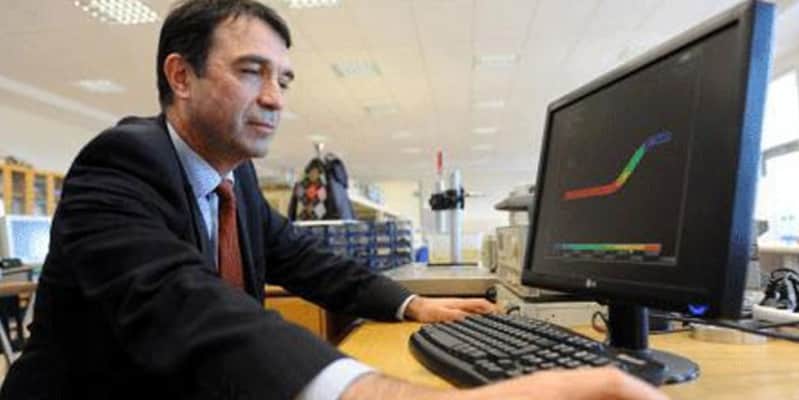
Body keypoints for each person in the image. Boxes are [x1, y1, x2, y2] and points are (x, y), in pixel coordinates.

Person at [0, 1, 668, 399]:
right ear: (181, 75)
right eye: (251, 72)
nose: (275, 98)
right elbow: (183, 303)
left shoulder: (236, 182)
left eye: (284, 79)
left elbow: (304, 259)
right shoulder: (121, 163)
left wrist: (410, 304)